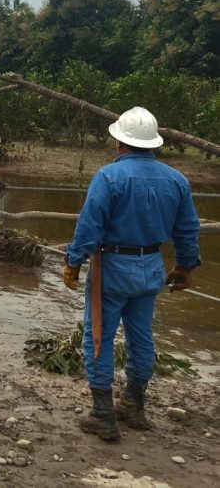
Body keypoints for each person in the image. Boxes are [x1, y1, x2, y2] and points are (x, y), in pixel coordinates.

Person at [63, 106, 200, 442]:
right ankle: (134, 405)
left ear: (119, 142)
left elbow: (90, 226)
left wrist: (73, 261)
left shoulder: (108, 177)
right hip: (151, 267)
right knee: (141, 337)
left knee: (98, 337)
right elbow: (187, 230)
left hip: (111, 268)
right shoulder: (177, 180)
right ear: (153, 144)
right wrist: (185, 266)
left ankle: (102, 414)